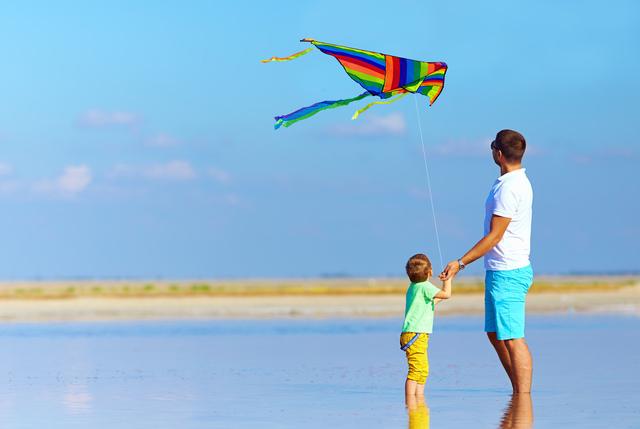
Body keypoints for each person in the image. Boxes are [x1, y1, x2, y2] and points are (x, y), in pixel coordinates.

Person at [440, 129, 534, 393]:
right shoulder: (510, 182)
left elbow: (495, 236)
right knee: (495, 334)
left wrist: (460, 263)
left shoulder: (511, 187)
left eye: (493, 146)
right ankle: (517, 389)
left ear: (499, 153)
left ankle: (523, 397)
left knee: (513, 337)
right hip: (498, 270)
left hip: (509, 271)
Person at [401, 253, 452, 397]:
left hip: (415, 334)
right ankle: (410, 401)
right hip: (416, 335)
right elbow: (446, 294)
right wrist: (448, 279)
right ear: (430, 271)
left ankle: (419, 399)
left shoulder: (414, 287)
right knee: (416, 370)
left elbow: (430, 304)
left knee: (422, 369)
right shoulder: (424, 286)